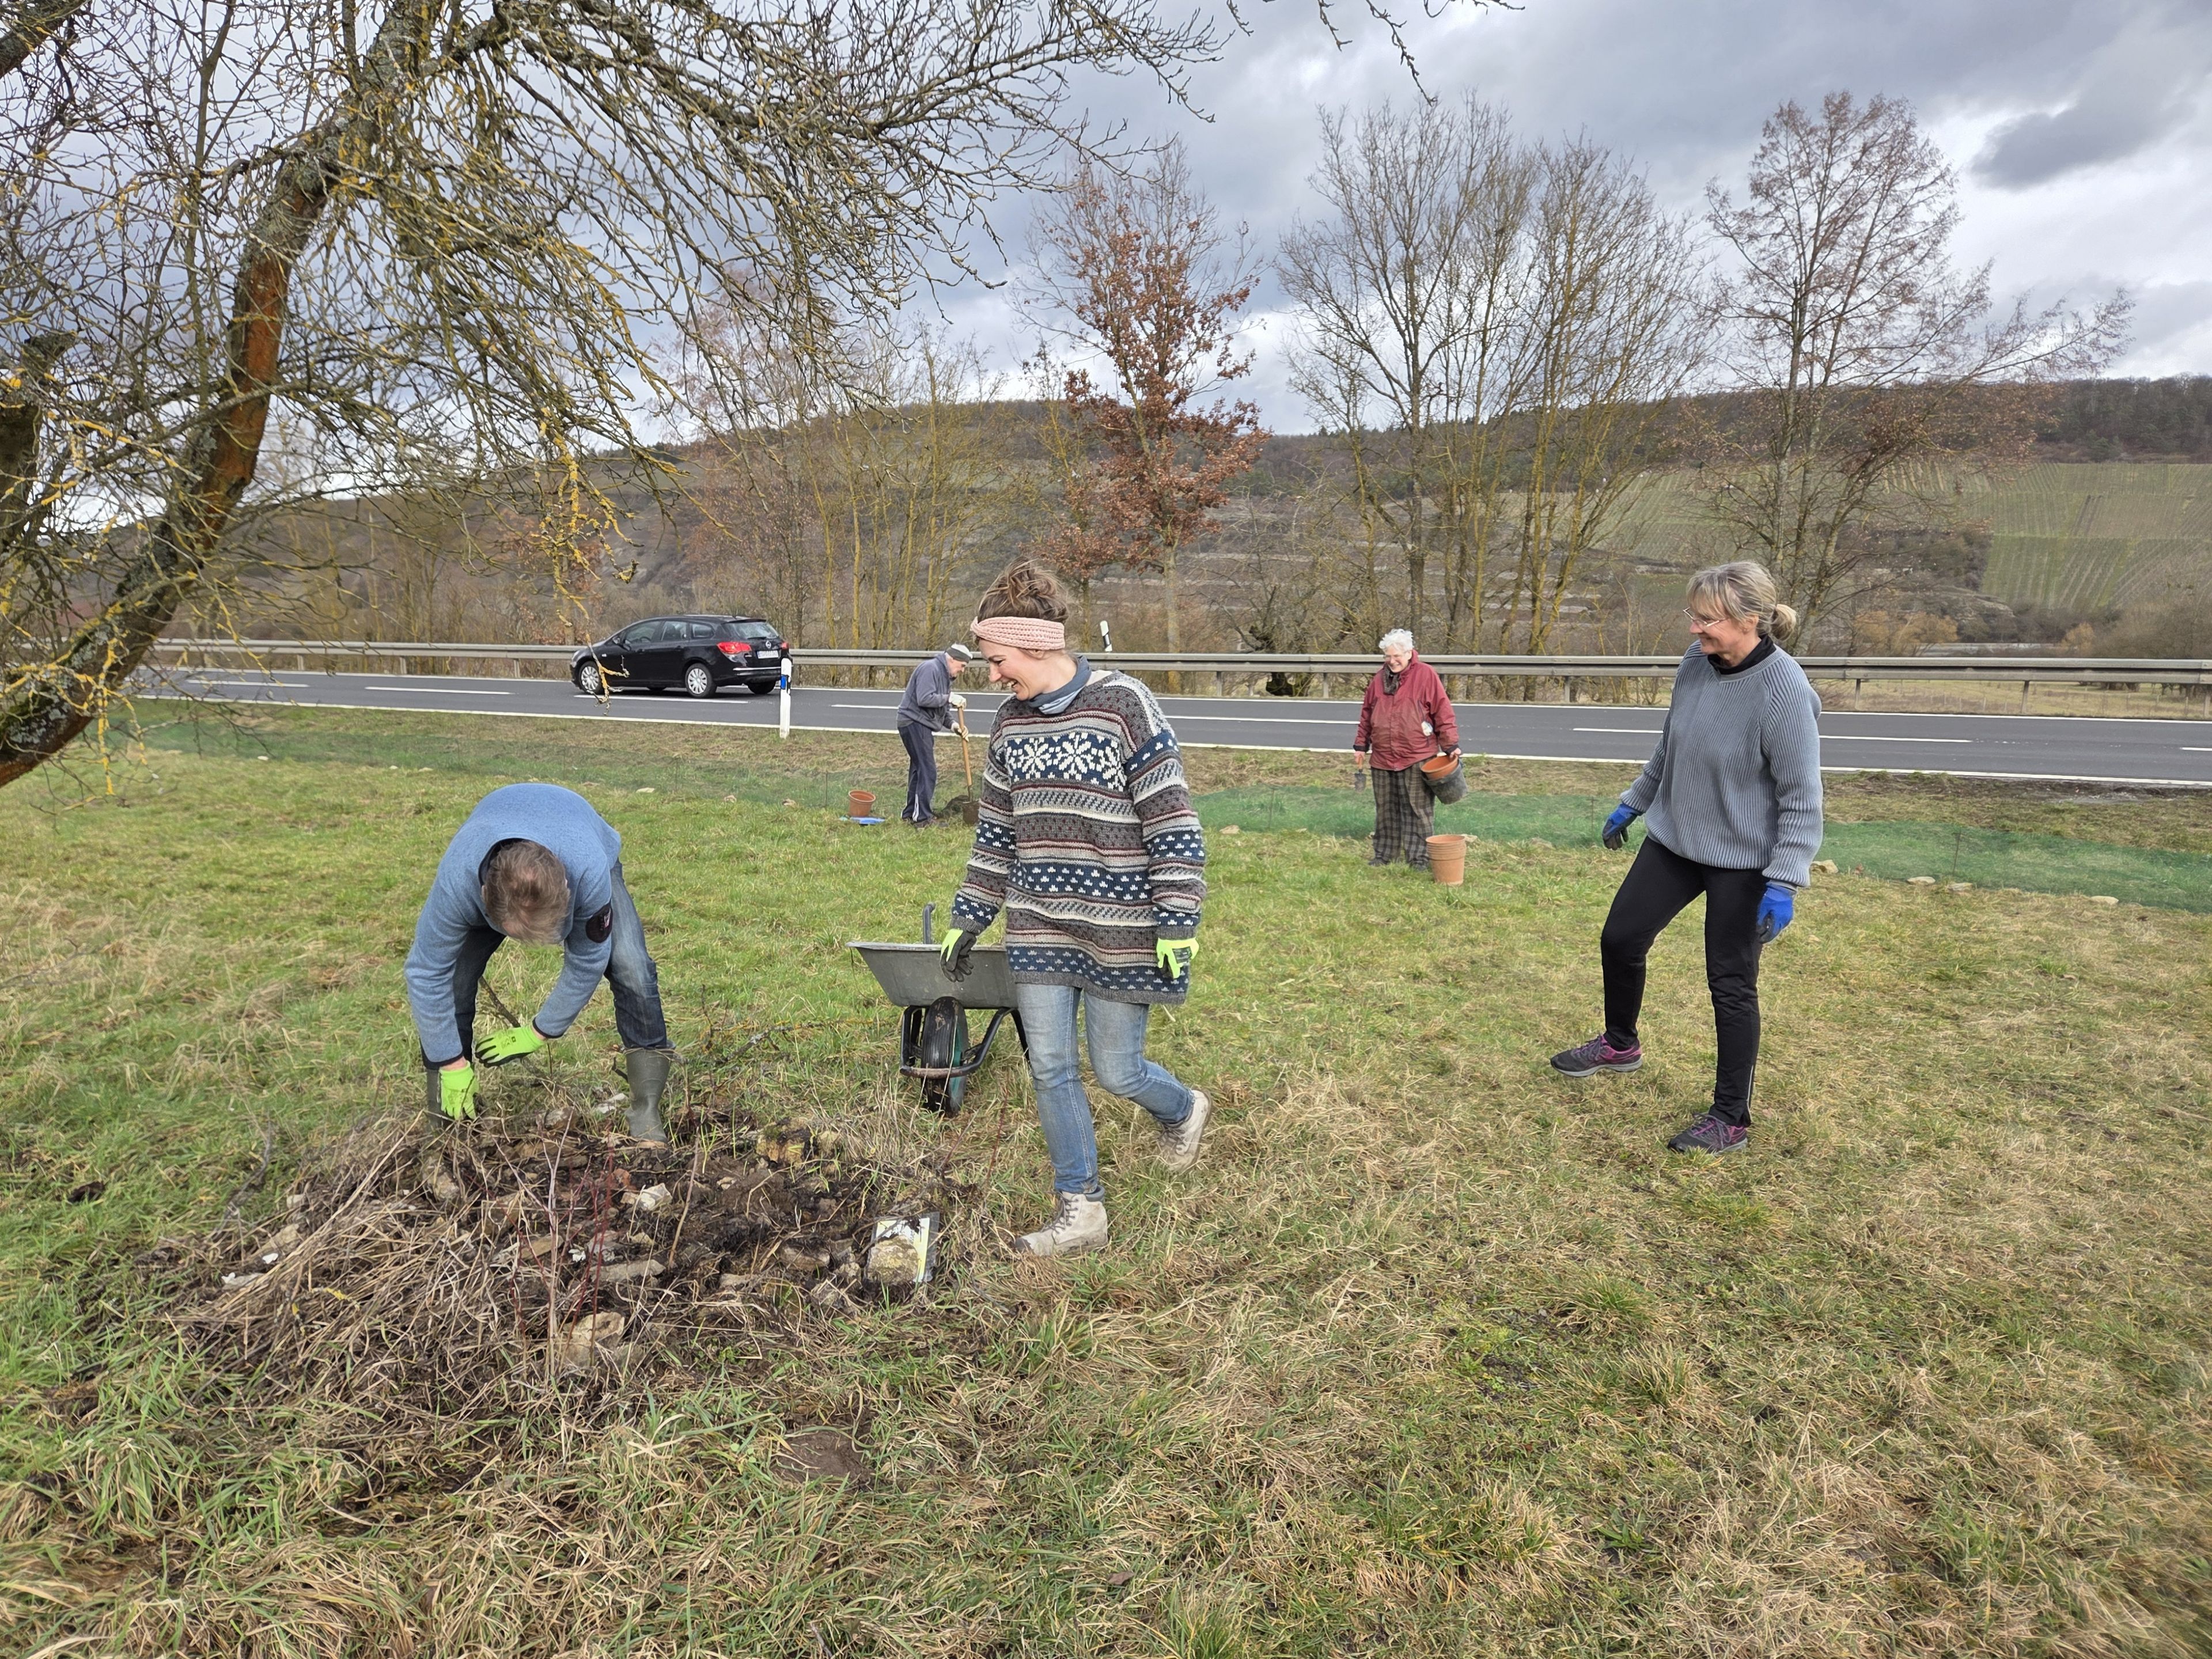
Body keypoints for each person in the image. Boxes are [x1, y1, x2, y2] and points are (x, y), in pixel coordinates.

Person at [936, 561, 1210, 1257]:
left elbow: (1172, 820)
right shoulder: (1009, 724)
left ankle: (1184, 1108)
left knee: (1118, 1071)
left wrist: (1178, 918)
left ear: (1035, 646)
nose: (993, 675)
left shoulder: (1123, 705)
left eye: (998, 660)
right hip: (1039, 921)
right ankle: (1081, 1208)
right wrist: (971, 913)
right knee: (1051, 1067)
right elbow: (996, 834)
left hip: (1122, 926)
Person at [1549, 560, 1823, 1155]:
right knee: (1621, 938)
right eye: (1693, 616)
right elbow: (1671, 744)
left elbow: (1802, 798)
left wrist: (1784, 881)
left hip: (1743, 859)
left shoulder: (1784, 691)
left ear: (1750, 620)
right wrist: (1635, 801)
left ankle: (1731, 1117)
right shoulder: (1696, 663)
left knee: (1731, 983)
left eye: (1709, 620)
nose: (1695, 630)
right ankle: (1620, 1044)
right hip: (1677, 840)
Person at [404, 782, 677, 1142]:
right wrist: (448, 1061)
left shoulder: (587, 869)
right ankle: (446, 1119)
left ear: (566, 887)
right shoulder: (459, 880)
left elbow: (588, 959)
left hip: (577, 825)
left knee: (632, 967)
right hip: (494, 825)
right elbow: (427, 971)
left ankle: (647, 1111)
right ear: (483, 898)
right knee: (455, 977)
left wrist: (539, 1031)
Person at [1353, 628, 1460, 869]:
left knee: (1418, 809)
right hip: (1382, 757)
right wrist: (1361, 744)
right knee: (1386, 810)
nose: (1392, 661)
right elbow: (1367, 714)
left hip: (1417, 755)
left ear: (1410, 653)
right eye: (1388, 656)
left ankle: (1419, 858)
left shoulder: (1426, 675)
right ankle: (1384, 855)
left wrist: (1451, 744)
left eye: (1397, 656)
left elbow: (1443, 711)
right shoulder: (1378, 679)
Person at [895, 643, 976, 824]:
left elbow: (942, 709)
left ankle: (911, 814)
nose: (963, 670)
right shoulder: (931, 669)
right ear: (952, 659)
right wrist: (950, 698)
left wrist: (954, 726)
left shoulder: (945, 676)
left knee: (919, 769)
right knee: (928, 770)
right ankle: (922, 819)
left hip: (918, 724)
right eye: (962, 665)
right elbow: (925, 699)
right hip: (914, 722)